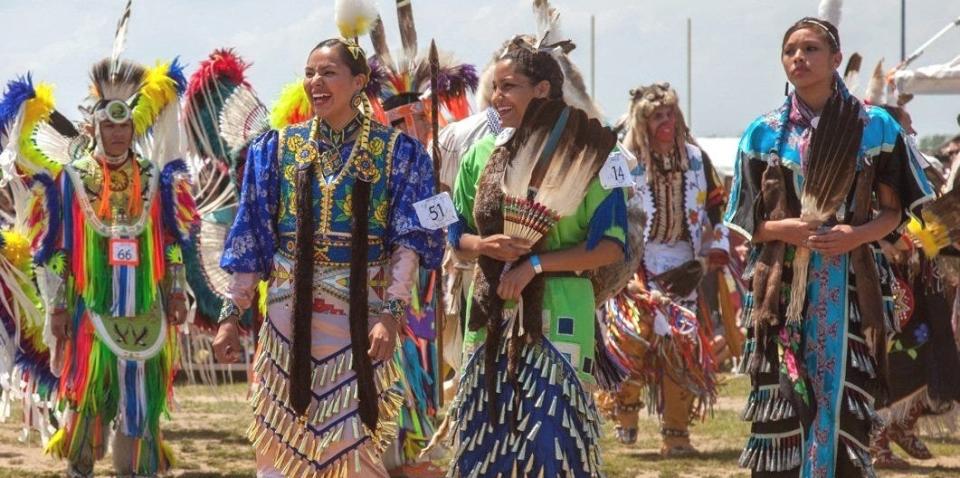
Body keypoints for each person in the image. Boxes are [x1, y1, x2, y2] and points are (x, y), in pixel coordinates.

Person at [213, 37, 443, 477]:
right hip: (286, 322)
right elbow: (251, 239)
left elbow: (409, 244)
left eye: (328, 73)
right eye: (309, 73)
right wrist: (231, 313)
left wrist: (392, 314)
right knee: (281, 443)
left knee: (354, 443)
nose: (315, 82)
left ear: (358, 82)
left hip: (362, 319)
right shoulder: (276, 150)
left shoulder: (397, 152)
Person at [725, 17, 935, 477]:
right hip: (780, 291)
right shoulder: (762, 133)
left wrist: (855, 235)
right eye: (791, 51)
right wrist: (786, 229)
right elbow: (745, 223)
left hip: (852, 289)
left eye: (811, 49)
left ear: (836, 58)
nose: (799, 58)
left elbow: (894, 211)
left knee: (844, 403)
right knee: (783, 401)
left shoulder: (875, 127)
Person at [444, 37, 627, 476]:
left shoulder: (595, 156)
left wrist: (536, 265)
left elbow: (611, 246)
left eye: (509, 86)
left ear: (542, 89)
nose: (496, 97)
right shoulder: (480, 154)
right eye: (494, 87)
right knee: (485, 441)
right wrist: (483, 246)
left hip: (560, 311)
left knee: (552, 442)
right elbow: (454, 232)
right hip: (489, 312)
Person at [34, 56, 195, 477]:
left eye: (125, 127)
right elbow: (58, 249)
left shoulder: (152, 176)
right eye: (110, 127)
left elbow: (171, 241)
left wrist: (177, 290)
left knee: (141, 395)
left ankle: (137, 470)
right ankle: (81, 466)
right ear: (97, 129)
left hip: (145, 303)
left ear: (133, 128)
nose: (119, 134)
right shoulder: (74, 177)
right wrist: (57, 305)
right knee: (90, 392)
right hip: (94, 303)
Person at [597, 82, 727, 456]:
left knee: (682, 346)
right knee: (630, 339)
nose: (666, 121)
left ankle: (676, 434)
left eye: (670, 113)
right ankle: (624, 411)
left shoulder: (696, 159)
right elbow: (606, 209)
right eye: (657, 116)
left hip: (685, 265)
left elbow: (718, 207)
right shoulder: (625, 161)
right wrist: (620, 263)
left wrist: (710, 252)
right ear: (642, 122)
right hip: (634, 263)